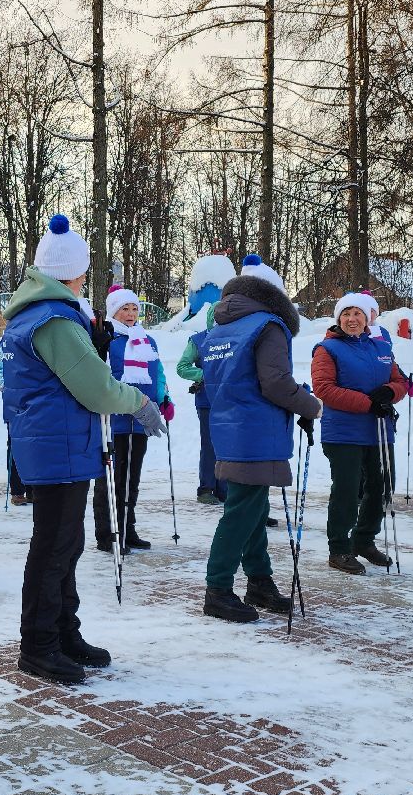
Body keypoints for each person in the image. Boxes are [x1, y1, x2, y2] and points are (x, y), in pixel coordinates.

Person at [1, 214, 165, 684]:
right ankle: (39, 644)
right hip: (59, 445)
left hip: (60, 442)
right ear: (76, 272)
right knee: (54, 547)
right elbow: (96, 390)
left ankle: (62, 631)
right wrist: (138, 402)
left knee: (65, 545)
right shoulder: (53, 319)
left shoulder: (40, 312)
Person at [199, 256, 321, 623]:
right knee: (242, 510)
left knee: (253, 507)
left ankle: (259, 579)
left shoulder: (222, 327)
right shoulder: (269, 325)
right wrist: (310, 405)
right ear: (274, 294)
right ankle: (218, 588)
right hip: (257, 428)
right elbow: (276, 383)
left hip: (229, 425)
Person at [311, 292, 409, 574]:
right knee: (347, 489)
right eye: (346, 314)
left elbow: (400, 381)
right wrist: (369, 403)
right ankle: (339, 547)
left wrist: (390, 392)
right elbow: (324, 389)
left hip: (378, 430)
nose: (351, 319)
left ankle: (364, 540)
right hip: (343, 432)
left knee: (381, 486)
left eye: (357, 314)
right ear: (338, 318)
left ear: (368, 318)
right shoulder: (326, 349)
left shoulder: (379, 347)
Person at [93, 285, 172, 553]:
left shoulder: (147, 340)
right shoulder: (106, 339)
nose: (130, 313)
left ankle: (127, 528)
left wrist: (164, 398)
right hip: (113, 419)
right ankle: (108, 534)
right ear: (114, 311)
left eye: (134, 308)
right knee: (111, 478)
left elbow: (157, 372)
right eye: (124, 308)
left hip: (142, 418)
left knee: (131, 477)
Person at [177, 301, 226, 505]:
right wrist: (206, 375)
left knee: (228, 445)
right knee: (210, 444)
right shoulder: (198, 340)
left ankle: (225, 488)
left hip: (230, 400)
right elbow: (182, 367)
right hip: (207, 400)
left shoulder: (236, 339)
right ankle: (206, 488)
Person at [0, 313, 31, 506]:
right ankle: (17, 489)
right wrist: (11, 388)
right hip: (14, 402)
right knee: (16, 444)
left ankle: (34, 488)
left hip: (34, 401)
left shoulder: (31, 340)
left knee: (34, 444)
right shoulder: (5, 345)